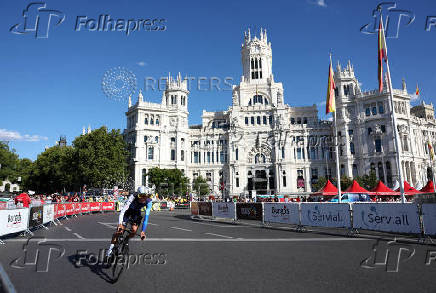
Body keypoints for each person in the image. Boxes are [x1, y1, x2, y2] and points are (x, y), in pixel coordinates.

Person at [106, 186, 153, 257]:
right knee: (119, 231)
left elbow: (146, 218)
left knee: (134, 231)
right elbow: (123, 211)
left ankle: (126, 240)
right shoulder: (132, 197)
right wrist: (120, 224)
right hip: (128, 212)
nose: (143, 198)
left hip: (136, 214)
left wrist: (143, 231)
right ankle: (110, 249)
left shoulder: (149, 201)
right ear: (138, 195)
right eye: (141, 196)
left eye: (145, 196)